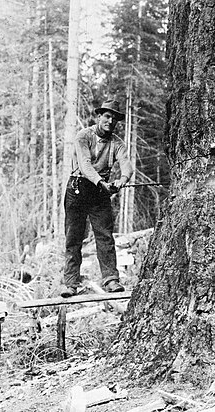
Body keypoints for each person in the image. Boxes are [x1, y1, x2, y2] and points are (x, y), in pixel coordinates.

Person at [61, 99, 133, 297]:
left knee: (104, 235)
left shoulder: (117, 143)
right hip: (78, 189)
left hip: (100, 193)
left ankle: (111, 280)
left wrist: (122, 180)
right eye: (107, 116)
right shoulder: (83, 136)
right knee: (73, 238)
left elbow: (127, 165)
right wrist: (101, 182)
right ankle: (71, 283)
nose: (110, 121)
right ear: (99, 117)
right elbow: (85, 165)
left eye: (115, 119)